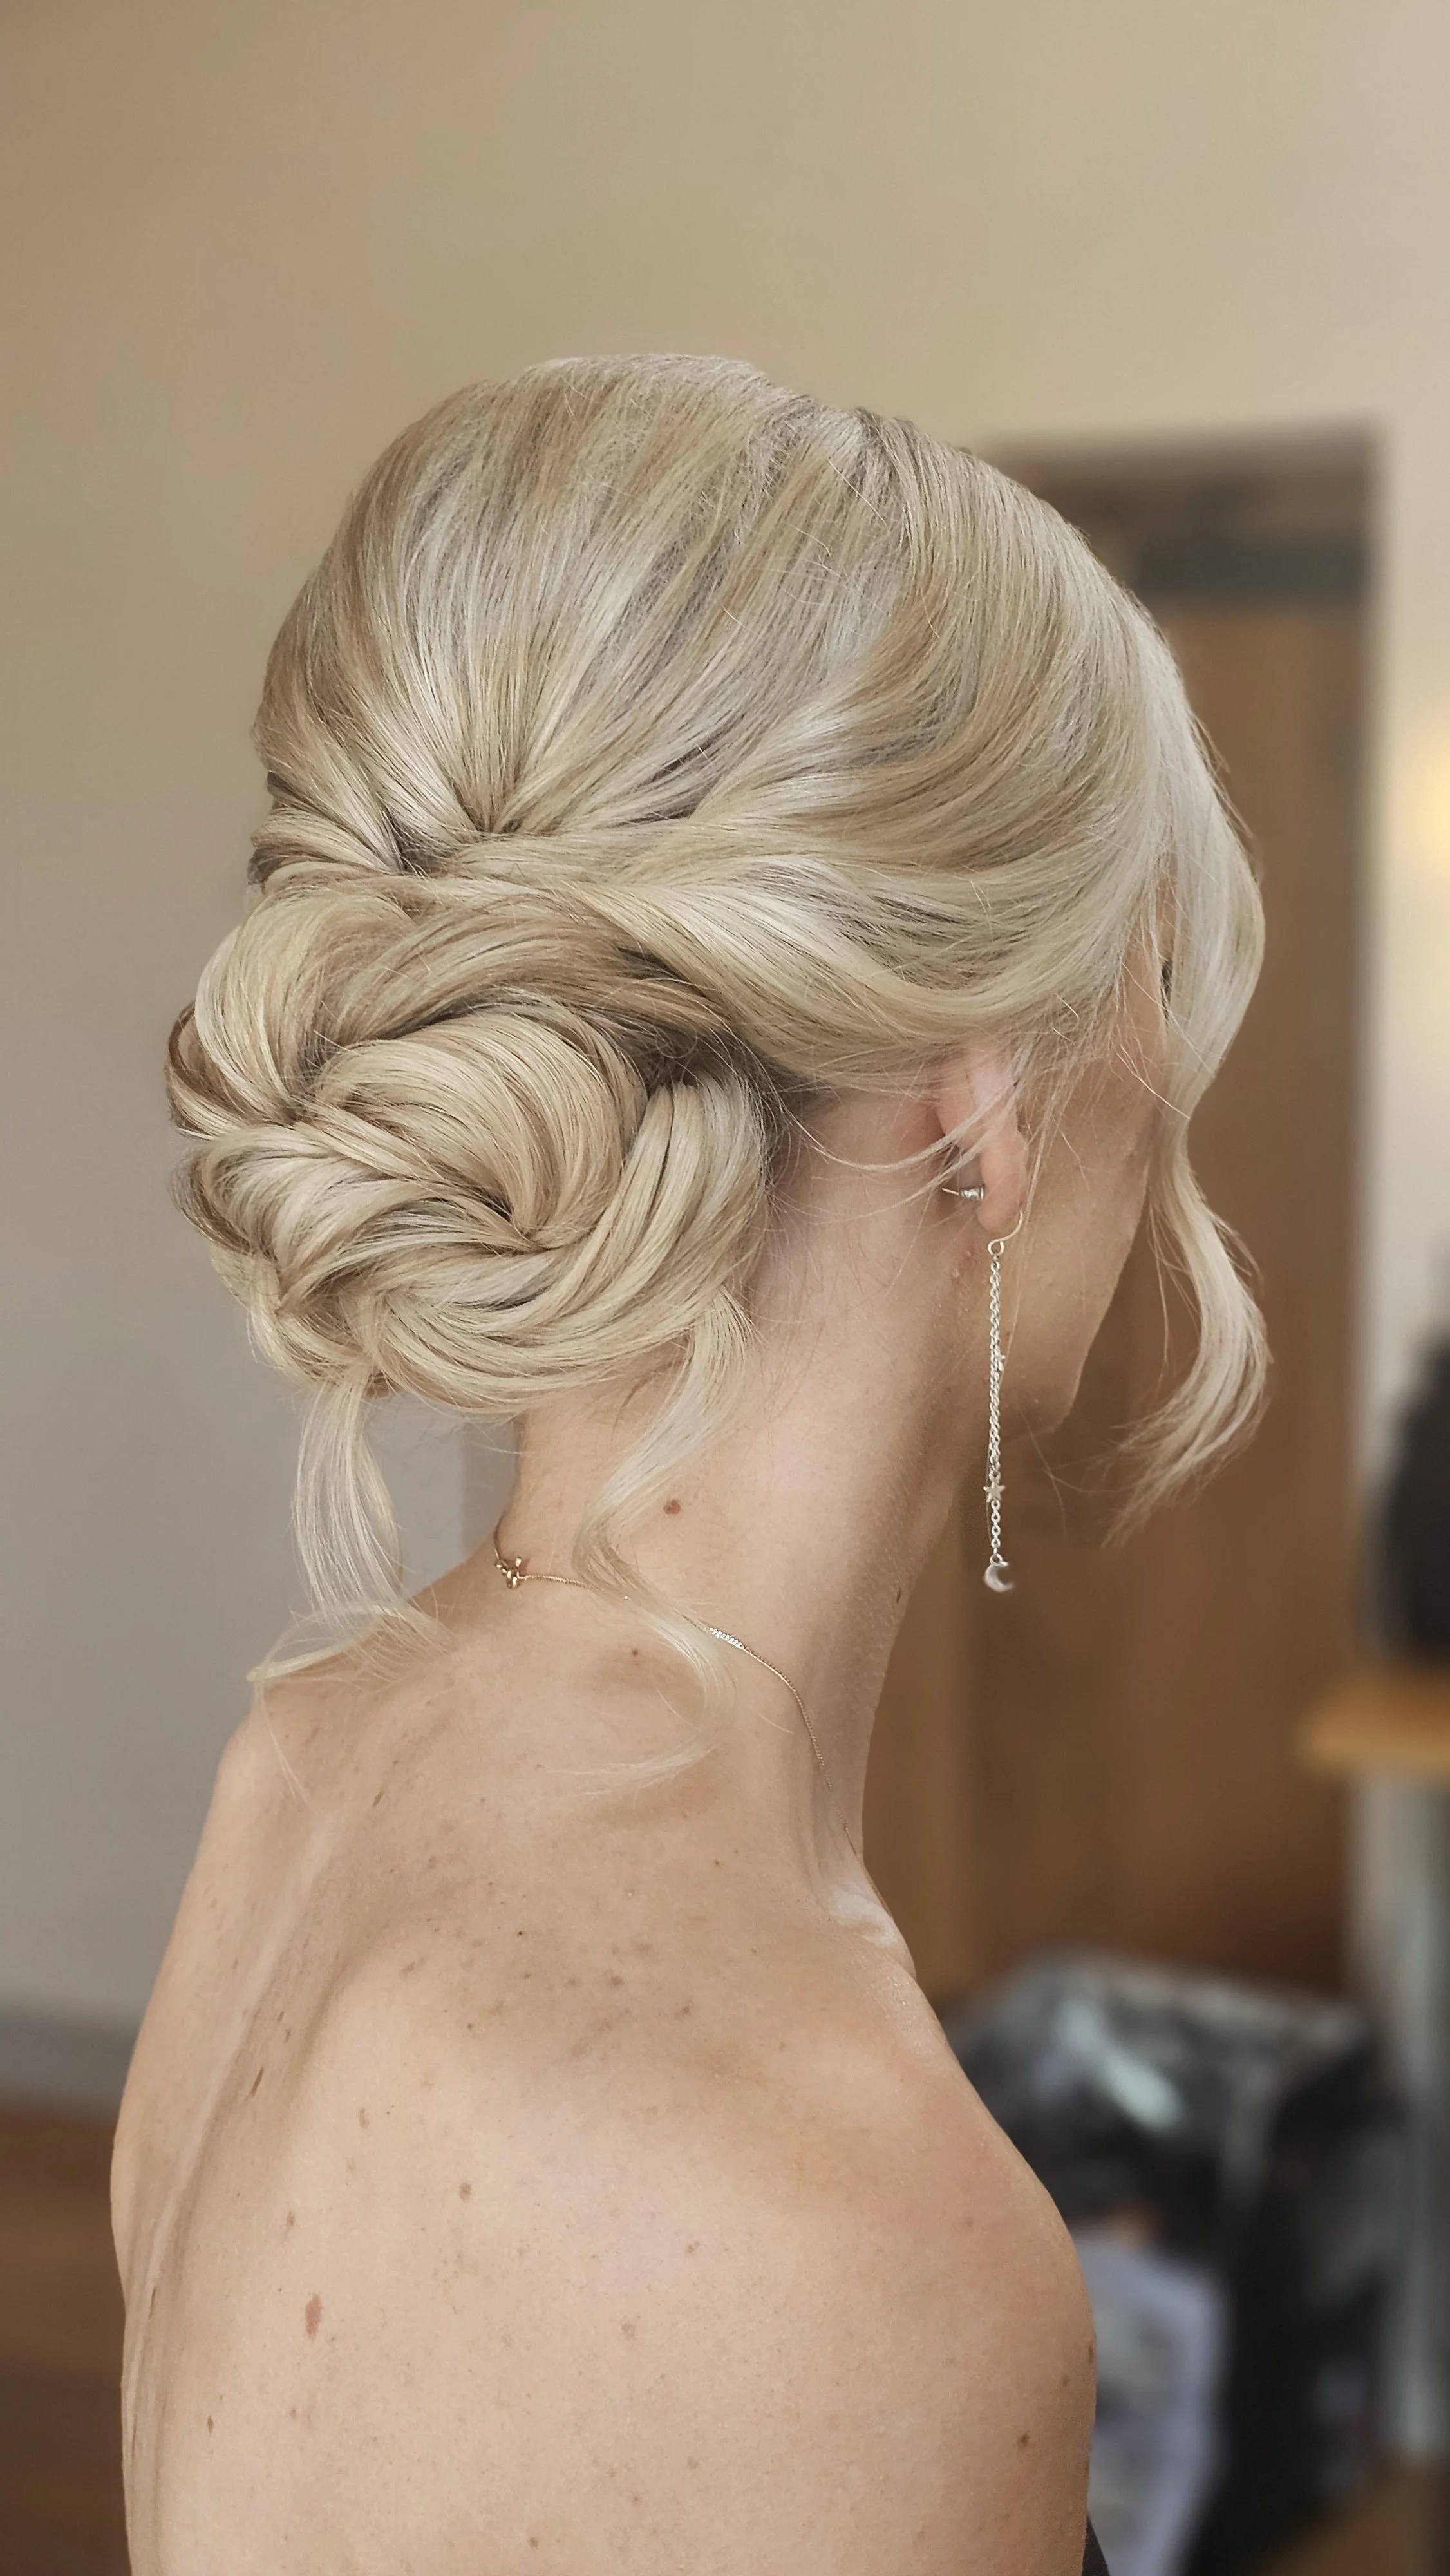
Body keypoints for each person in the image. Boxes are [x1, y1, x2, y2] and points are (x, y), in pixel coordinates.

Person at [111, 355, 1263, 2575]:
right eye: (1144, 967)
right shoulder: (845, 2225)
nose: (1171, 1069)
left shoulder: (310, 1760)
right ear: (982, 1104)